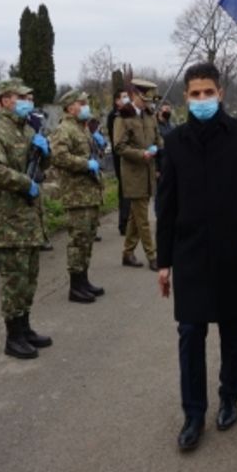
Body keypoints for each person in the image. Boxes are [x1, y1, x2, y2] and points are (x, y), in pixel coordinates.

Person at [156, 62, 237, 452]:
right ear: (186, 97)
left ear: (220, 94)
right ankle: (193, 413)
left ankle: (229, 396)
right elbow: (167, 206)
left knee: (231, 331)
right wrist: (164, 262)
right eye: (195, 94)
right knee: (190, 333)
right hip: (190, 254)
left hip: (233, 252)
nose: (202, 99)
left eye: (209, 92)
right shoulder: (174, 143)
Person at [0, 78, 53, 360]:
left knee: (29, 278)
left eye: (29, 97)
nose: (27, 101)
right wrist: (23, 183)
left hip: (29, 218)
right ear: (5, 100)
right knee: (14, 281)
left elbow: (42, 166)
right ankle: (13, 336)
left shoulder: (27, 130)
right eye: (22, 97)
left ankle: (25, 327)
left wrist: (45, 153)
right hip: (9, 221)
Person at [49, 89, 107, 304]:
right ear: (70, 107)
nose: (85, 106)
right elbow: (59, 157)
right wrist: (85, 164)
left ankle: (84, 280)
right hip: (76, 194)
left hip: (89, 192)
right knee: (78, 240)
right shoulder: (64, 129)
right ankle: (75, 286)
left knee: (88, 238)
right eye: (81, 103)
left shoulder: (82, 129)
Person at [115, 79, 163, 271]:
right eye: (145, 100)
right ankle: (153, 256)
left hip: (149, 172)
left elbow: (158, 137)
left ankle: (127, 253)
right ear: (134, 96)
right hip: (134, 174)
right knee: (143, 219)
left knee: (135, 217)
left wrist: (158, 147)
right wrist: (140, 154)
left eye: (150, 101)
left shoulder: (150, 116)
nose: (148, 104)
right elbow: (119, 146)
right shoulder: (123, 118)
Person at [107, 91, 132, 234]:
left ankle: (128, 221)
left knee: (127, 190)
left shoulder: (125, 113)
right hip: (119, 157)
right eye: (123, 97)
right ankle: (124, 224)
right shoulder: (115, 116)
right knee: (124, 190)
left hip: (126, 156)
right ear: (117, 101)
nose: (126, 99)